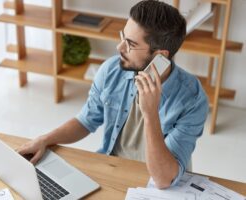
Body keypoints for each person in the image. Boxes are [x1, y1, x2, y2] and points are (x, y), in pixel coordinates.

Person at [17, 0, 209, 189]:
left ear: (160, 56)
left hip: (158, 185)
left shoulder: (192, 99)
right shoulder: (111, 70)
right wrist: (44, 139)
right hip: (112, 168)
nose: (119, 48)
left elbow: (163, 179)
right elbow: (86, 121)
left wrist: (150, 113)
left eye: (131, 44)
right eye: (122, 37)